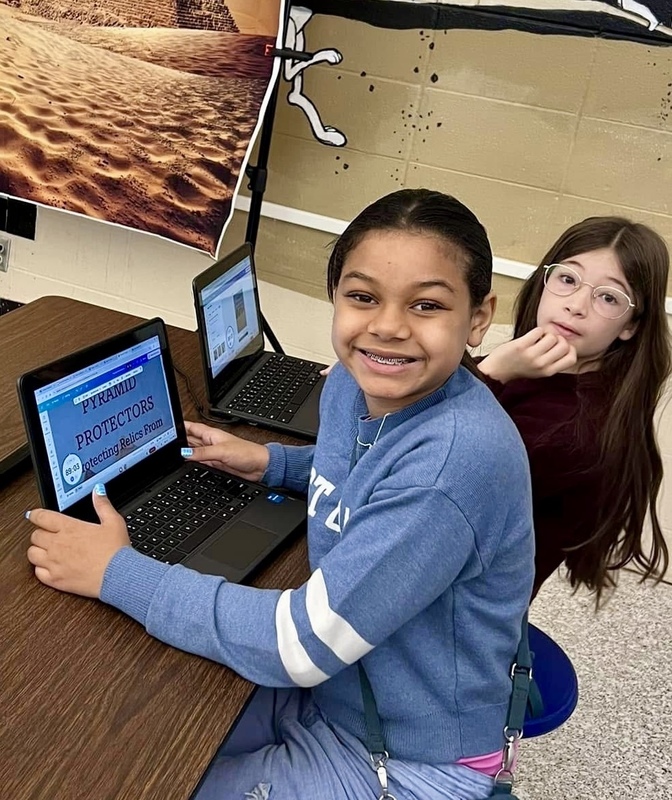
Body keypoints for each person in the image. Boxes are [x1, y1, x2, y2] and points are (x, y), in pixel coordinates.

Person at [25, 189, 534, 800]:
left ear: (479, 318)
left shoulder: (454, 464)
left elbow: (300, 645)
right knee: (112, 745)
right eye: (363, 296)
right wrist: (272, 462)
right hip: (341, 693)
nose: (388, 326)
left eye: (426, 305)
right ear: (336, 296)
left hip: (410, 756)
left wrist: (114, 571)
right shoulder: (354, 381)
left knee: (143, 777)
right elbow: (363, 468)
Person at [478, 216, 671, 604]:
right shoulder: (538, 368)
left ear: (631, 326)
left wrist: (491, 371)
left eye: (608, 297)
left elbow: (434, 467)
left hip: (458, 615)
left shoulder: (574, 433)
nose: (576, 306)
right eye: (568, 278)